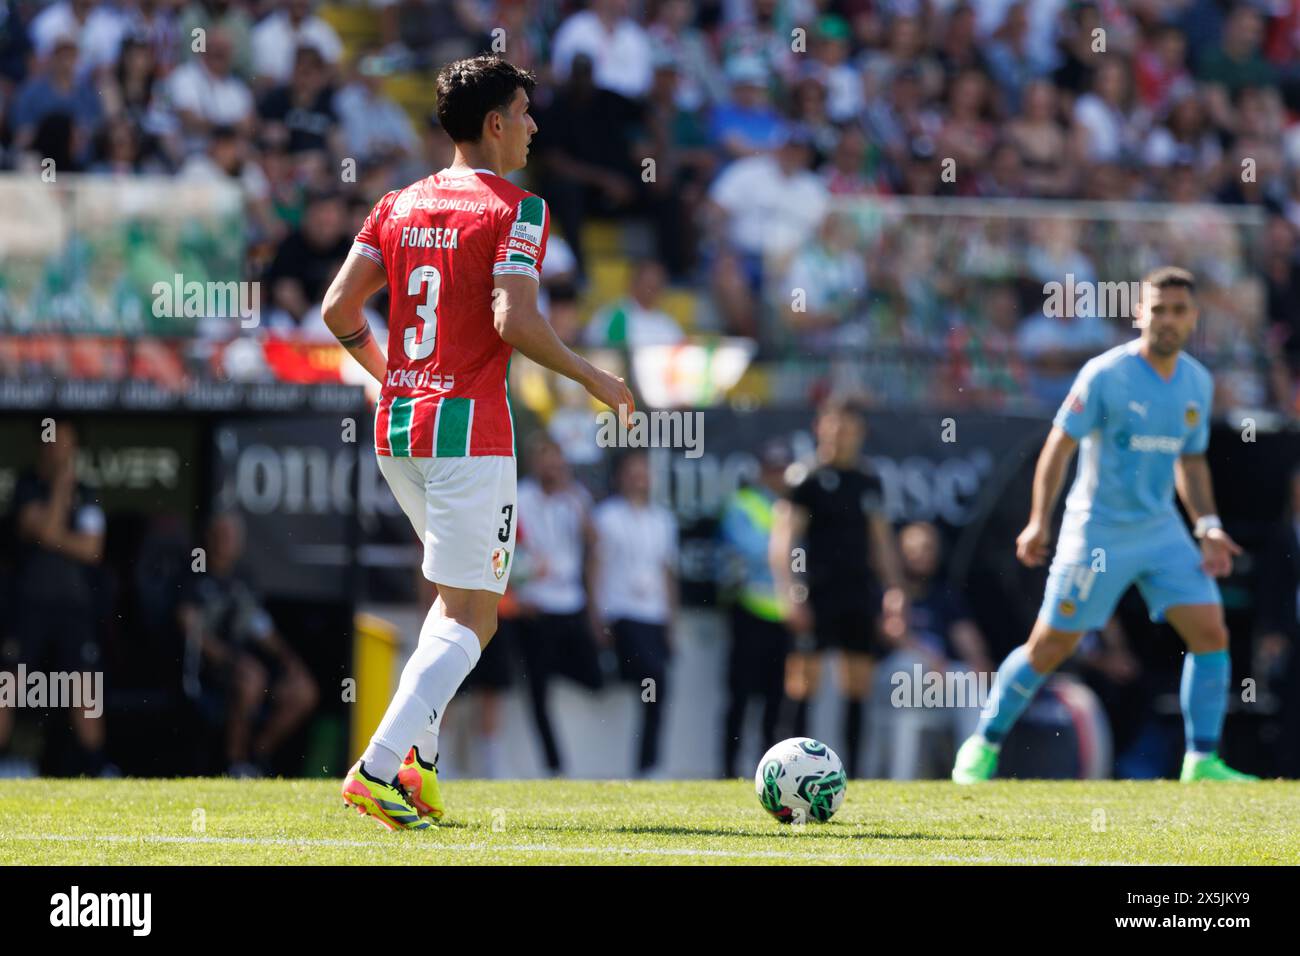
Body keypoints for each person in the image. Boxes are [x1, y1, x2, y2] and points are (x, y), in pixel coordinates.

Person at [321, 54, 632, 829]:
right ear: (495, 123)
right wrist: (594, 377)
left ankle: (421, 767)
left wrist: (393, 371)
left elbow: (337, 309)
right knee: (477, 617)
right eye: (525, 111)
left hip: (398, 426)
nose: (533, 125)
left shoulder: (395, 203)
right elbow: (513, 321)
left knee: (450, 602)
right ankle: (379, 768)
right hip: (468, 431)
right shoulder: (517, 208)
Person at [953, 267, 1257, 784]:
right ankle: (983, 744)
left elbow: (1191, 461)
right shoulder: (1104, 374)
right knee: (1050, 646)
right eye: (1158, 309)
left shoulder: (1197, 383)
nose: (1167, 320)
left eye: (1178, 311)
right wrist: (1037, 522)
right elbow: (1058, 445)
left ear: (1193, 318)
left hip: (1161, 530)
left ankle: (1201, 760)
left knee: (1210, 632)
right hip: (1097, 531)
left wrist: (1206, 523)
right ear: (1140, 314)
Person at [769, 397, 902, 778]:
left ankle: (854, 775)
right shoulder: (804, 478)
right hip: (815, 593)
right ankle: (790, 772)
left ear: (861, 432)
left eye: (848, 427)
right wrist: (791, 592)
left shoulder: (868, 480)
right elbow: (785, 540)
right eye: (834, 425)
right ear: (820, 427)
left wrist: (894, 591)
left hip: (857, 593)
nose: (841, 434)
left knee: (857, 683)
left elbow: (881, 542)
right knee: (802, 683)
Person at [0, 420, 109, 776]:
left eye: (67, 444)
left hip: (73, 608)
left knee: (84, 689)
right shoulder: (27, 486)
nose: (60, 451)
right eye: (53, 442)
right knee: (7, 686)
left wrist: (52, 535)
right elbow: (41, 528)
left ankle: (95, 772)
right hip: (28, 605)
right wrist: (61, 492)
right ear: (42, 446)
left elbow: (92, 550)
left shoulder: (88, 491)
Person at [177, 513, 319, 777]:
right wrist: (226, 657)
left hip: (250, 660)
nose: (227, 542)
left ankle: (259, 754)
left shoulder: (243, 579)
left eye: (232, 537)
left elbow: (261, 627)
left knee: (304, 690)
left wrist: (289, 660)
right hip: (210, 667)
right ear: (209, 538)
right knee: (251, 679)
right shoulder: (194, 574)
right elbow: (188, 627)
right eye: (222, 535)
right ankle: (235, 763)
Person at [514, 433, 603, 775]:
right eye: (544, 458)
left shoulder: (576, 498)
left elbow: (594, 542)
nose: (551, 466)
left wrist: (575, 499)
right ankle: (554, 766)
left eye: (556, 459)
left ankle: (552, 667)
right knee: (537, 693)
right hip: (536, 605)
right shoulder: (521, 497)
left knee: (595, 676)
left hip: (570, 603)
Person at [592, 452, 678, 776]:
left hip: (654, 615)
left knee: (658, 688)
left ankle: (648, 765)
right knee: (651, 676)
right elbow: (595, 568)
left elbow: (667, 572)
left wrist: (671, 620)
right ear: (620, 477)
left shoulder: (663, 520)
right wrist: (596, 616)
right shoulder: (606, 516)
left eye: (644, 472)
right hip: (622, 613)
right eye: (633, 472)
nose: (639, 478)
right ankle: (647, 765)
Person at [719, 440, 791, 778]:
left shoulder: (792, 507)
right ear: (761, 471)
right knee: (740, 696)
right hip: (749, 610)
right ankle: (729, 770)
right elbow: (756, 550)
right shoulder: (743, 504)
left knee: (777, 702)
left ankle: (770, 773)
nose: (777, 477)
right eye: (772, 469)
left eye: (782, 470)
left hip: (785, 615)